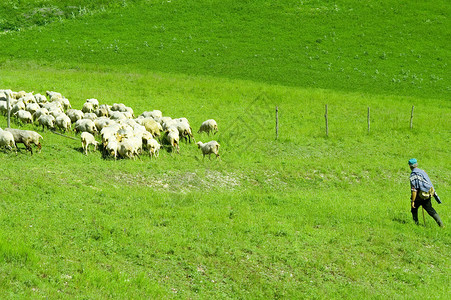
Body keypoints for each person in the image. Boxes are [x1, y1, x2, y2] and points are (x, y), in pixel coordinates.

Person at [408, 158, 443, 227]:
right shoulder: (423, 172)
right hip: (427, 194)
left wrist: (413, 201)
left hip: (419, 196)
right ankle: (441, 225)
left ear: (409, 166)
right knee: (430, 209)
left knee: (414, 209)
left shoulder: (413, 175)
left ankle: (416, 225)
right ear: (416, 165)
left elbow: (414, 190)